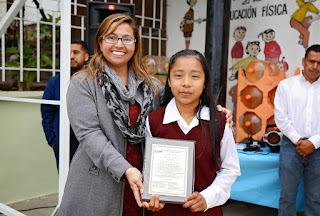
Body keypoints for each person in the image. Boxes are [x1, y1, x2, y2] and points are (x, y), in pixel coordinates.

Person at [57, 14, 233, 216]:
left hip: (144, 181)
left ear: (135, 44)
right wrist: (125, 169)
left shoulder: (152, 86)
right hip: (99, 181)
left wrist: (213, 110)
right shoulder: (83, 83)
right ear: (100, 42)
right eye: (111, 37)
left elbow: (181, 106)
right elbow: (89, 135)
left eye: (126, 39)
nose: (119, 45)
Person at [145, 49, 241, 215]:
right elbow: (148, 169)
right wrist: (151, 197)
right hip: (164, 212)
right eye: (178, 75)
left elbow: (230, 169)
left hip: (206, 211)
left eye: (195, 76)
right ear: (168, 81)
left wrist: (208, 197)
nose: (186, 83)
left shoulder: (219, 121)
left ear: (205, 83)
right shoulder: (154, 121)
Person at [274, 44, 320, 216]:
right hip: (290, 147)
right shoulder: (286, 86)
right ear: (303, 61)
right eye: (311, 61)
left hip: (318, 148)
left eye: (319, 63)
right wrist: (299, 141)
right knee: (287, 196)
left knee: (315, 197)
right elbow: (281, 118)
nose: (315, 66)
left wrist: (313, 143)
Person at [41, 39, 89, 169]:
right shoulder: (55, 82)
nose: (71, 56)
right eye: (68, 53)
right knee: (66, 183)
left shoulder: (94, 80)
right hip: (63, 142)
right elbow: (46, 112)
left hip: (89, 142)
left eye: (76, 52)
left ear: (86, 56)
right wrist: (53, 140)